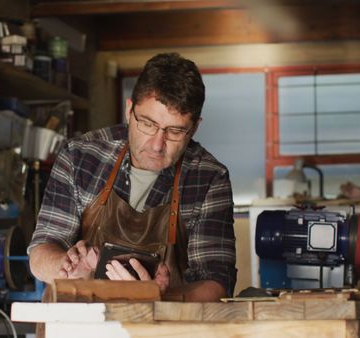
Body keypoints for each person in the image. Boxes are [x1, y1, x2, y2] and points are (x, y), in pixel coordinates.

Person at [28, 53, 236, 301]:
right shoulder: (82, 155)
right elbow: (41, 254)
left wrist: (160, 296)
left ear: (194, 128)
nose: (158, 144)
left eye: (175, 131)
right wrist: (69, 267)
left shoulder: (209, 177)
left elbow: (217, 284)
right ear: (129, 110)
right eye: (148, 124)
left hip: (165, 329)